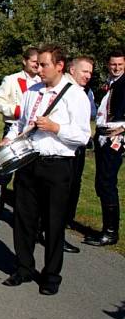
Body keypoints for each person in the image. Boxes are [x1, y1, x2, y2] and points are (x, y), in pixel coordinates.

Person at [0, 45, 90, 295]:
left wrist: (55, 127)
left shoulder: (75, 95)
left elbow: (83, 136)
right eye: (37, 64)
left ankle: (51, 276)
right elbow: (19, 124)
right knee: (23, 218)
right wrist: (9, 138)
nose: (38, 69)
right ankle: (24, 267)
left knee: (53, 223)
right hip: (29, 162)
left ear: (59, 66)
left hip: (57, 165)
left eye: (44, 65)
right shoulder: (32, 91)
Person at [0, 47, 41, 228]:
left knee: (27, 175)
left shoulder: (44, 81)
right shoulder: (11, 79)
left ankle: (22, 216)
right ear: (24, 61)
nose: (36, 65)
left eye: (39, 61)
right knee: (4, 171)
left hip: (34, 132)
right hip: (13, 127)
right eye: (33, 61)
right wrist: (16, 110)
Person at [84, 49, 125, 247]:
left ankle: (110, 233)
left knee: (107, 183)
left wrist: (124, 127)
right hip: (102, 134)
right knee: (101, 183)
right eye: (113, 64)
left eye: (120, 65)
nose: (116, 68)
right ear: (108, 65)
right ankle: (107, 229)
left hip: (114, 137)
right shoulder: (111, 83)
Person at [63, 56, 96, 253]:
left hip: (78, 146)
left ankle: (61, 227)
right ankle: (53, 233)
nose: (88, 76)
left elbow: (91, 113)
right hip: (66, 147)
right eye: (85, 71)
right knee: (64, 190)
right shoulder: (67, 89)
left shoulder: (85, 91)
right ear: (72, 70)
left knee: (74, 187)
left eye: (90, 73)